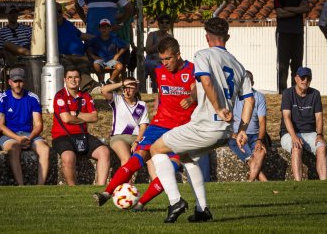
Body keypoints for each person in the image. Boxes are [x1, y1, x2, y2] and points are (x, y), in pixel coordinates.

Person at [150, 17, 255, 223]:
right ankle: (202, 210)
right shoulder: (239, 66)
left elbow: (205, 81)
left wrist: (218, 108)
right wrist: (242, 129)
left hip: (205, 125)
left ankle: (175, 202)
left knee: (156, 149)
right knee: (187, 157)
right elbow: (249, 99)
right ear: (228, 37)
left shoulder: (203, 55)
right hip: (224, 131)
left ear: (207, 37)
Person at [93, 37, 197, 211]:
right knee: (138, 156)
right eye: (162, 59)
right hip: (159, 124)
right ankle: (106, 193)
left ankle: (141, 204)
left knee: (170, 167)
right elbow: (162, 94)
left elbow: (199, 89)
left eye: (168, 59)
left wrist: (192, 97)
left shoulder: (192, 69)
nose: (164, 63)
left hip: (183, 127)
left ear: (178, 55)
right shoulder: (159, 71)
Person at [51, 66, 110, 186]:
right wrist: (84, 118)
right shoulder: (60, 96)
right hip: (62, 136)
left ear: (80, 79)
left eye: (76, 77)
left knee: (104, 151)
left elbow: (94, 117)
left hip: (82, 135)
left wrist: (77, 114)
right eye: (70, 77)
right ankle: (73, 190)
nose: (73, 80)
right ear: (65, 80)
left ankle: (101, 188)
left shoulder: (86, 96)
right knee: (68, 157)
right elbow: (66, 118)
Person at [0, 68, 50, 185]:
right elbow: (1, 126)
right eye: (15, 81)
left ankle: (41, 186)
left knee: (45, 149)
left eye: (20, 81)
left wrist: (29, 138)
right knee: (14, 148)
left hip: (29, 134)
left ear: (24, 82)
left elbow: (39, 124)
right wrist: (18, 139)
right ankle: (21, 185)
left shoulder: (33, 98)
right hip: (9, 135)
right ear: (10, 82)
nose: (18, 84)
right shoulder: (2, 98)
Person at [280, 67, 327, 181]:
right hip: (289, 133)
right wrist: (294, 137)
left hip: (310, 132)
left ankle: (324, 183)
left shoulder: (315, 94)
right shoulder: (287, 93)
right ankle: (299, 183)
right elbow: (286, 117)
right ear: (296, 78)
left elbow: (319, 117)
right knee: (296, 147)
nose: (305, 80)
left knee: (322, 147)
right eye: (302, 77)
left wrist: (320, 134)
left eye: (308, 78)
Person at [274, 0, 309, 94]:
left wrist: (287, 9)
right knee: (282, 64)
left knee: (297, 64)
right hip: (283, 32)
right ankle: (282, 92)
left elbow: (306, 8)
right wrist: (297, 10)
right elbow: (279, 13)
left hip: (298, 31)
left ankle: (296, 91)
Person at [228, 70, 268, 182]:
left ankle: (250, 181)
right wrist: (232, 133)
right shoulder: (233, 97)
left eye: (248, 82)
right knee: (251, 159)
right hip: (237, 136)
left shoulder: (259, 97)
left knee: (260, 151)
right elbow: (225, 119)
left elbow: (262, 122)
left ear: (253, 83)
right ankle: (265, 182)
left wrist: (260, 139)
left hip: (254, 135)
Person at [101, 77, 149, 166]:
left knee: (149, 159)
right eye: (126, 87)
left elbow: (143, 127)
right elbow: (104, 90)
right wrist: (122, 83)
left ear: (136, 89)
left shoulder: (142, 105)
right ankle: (126, 180)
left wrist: (137, 141)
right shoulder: (117, 99)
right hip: (119, 137)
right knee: (126, 159)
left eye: (131, 88)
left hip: (136, 137)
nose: (127, 90)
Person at [56, 3, 100, 93]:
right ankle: (92, 88)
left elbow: (81, 35)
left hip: (80, 56)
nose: (57, 14)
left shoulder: (68, 24)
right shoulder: (49, 27)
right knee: (73, 71)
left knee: (83, 67)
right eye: (54, 12)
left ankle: (91, 90)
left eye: (59, 11)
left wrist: (100, 38)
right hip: (64, 57)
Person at [87, 19, 128, 85]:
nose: (104, 29)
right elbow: (87, 48)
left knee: (120, 67)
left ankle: (110, 80)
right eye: (102, 27)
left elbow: (126, 46)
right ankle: (101, 81)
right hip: (100, 60)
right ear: (99, 29)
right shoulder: (95, 39)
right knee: (96, 65)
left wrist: (117, 55)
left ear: (110, 29)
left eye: (106, 27)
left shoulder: (114, 38)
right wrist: (94, 56)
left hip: (112, 60)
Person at [145, 14, 172, 93]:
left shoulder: (170, 37)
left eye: (167, 23)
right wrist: (160, 43)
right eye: (162, 22)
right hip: (151, 60)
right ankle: (146, 89)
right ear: (158, 24)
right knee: (152, 65)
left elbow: (171, 52)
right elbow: (148, 50)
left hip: (164, 61)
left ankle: (166, 90)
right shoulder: (152, 35)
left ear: (169, 25)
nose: (164, 24)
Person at [116, 0, 136, 76]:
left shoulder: (129, 7)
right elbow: (114, 17)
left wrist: (132, 43)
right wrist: (127, 12)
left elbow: (129, 26)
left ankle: (122, 88)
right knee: (116, 66)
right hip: (115, 41)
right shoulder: (115, 5)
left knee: (124, 66)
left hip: (126, 42)